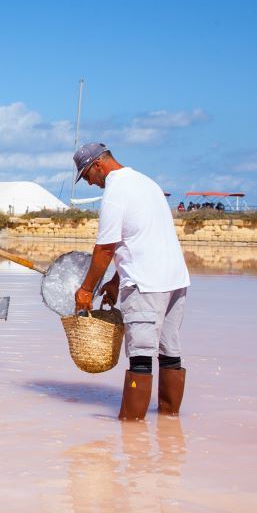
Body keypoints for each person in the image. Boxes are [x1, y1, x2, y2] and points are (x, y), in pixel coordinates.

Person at [72, 142, 190, 421]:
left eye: (87, 176)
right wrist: (114, 281)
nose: (90, 184)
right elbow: (140, 237)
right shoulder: (146, 182)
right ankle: (169, 424)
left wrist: (86, 289)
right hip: (175, 280)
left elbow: (105, 248)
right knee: (170, 352)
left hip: (145, 284)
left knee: (140, 357)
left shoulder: (115, 193)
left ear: (98, 165)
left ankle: (131, 430)